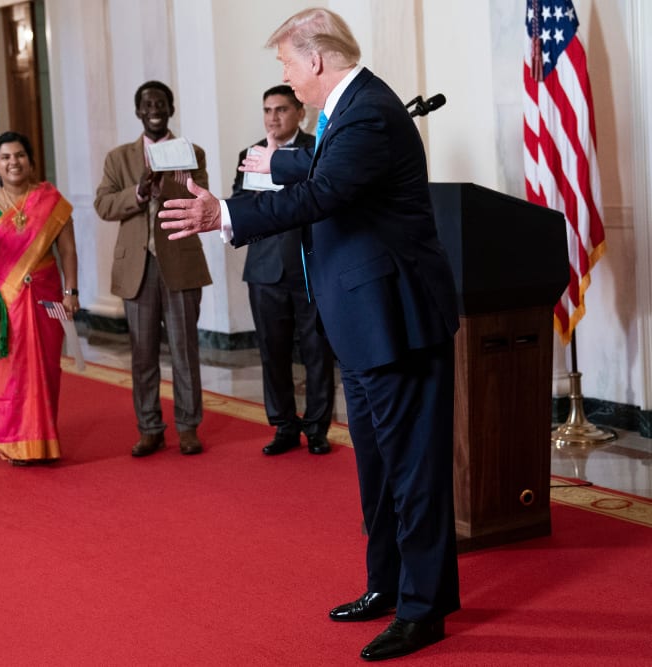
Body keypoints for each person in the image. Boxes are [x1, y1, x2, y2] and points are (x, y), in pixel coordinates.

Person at [159, 8, 460, 662]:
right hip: (364, 320)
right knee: (378, 469)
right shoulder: (350, 113)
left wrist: (226, 211)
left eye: (289, 65)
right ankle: (388, 585)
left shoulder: (371, 112)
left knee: (412, 470)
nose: (288, 79)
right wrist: (282, 165)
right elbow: (330, 175)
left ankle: (424, 607)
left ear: (317, 60)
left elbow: (323, 194)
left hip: (396, 321)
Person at [93, 80, 212, 457]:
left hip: (180, 261)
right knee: (142, 353)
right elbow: (103, 205)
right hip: (137, 268)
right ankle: (149, 428)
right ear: (138, 112)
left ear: (171, 109)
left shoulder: (191, 152)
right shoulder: (119, 158)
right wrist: (140, 193)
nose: (155, 109)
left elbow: (202, 201)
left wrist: (167, 188)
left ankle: (188, 427)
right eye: (147, 105)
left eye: (161, 103)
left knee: (184, 350)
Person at [231, 84, 335, 457]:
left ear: (299, 113)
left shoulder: (316, 150)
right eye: (267, 110)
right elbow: (240, 206)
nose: (273, 117)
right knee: (271, 352)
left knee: (317, 350)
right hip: (264, 269)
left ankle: (318, 428)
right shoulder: (250, 153)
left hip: (310, 264)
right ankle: (283, 426)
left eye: (281, 110)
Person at [0, 131, 79, 465]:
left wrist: (71, 292)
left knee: (46, 369)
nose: (13, 162)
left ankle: (42, 441)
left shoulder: (51, 201)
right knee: (9, 372)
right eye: (5, 157)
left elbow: (69, 250)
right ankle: (14, 442)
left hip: (46, 299)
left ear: (30, 160)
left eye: (19, 155)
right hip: (5, 302)